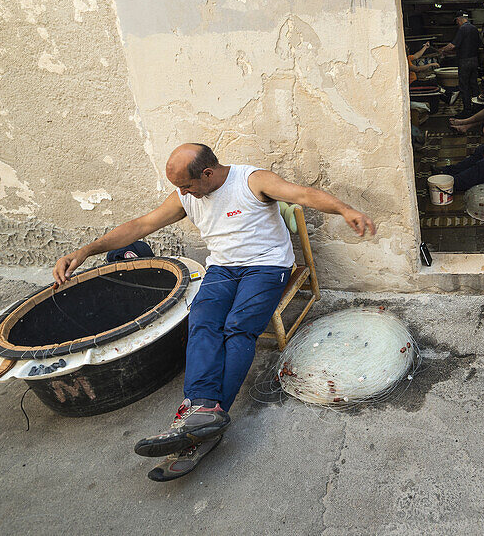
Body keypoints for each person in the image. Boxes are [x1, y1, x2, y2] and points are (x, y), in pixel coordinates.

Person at [52, 143, 375, 481]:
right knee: (203, 324)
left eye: (186, 185)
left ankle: (202, 422)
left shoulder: (252, 181)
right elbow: (139, 226)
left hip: (265, 267)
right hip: (223, 269)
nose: (182, 193)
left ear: (207, 173)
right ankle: (204, 411)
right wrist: (86, 251)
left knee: (238, 328)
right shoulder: (187, 196)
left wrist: (345, 210)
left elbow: (304, 195)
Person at [436, 11, 481, 115]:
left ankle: (467, 110)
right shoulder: (474, 28)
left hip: (464, 61)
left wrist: (442, 50)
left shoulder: (462, 29)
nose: (457, 23)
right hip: (474, 60)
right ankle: (477, 107)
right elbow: (478, 44)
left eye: (457, 21)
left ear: (459, 19)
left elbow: (452, 45)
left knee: (464, 86)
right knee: (474, 84)